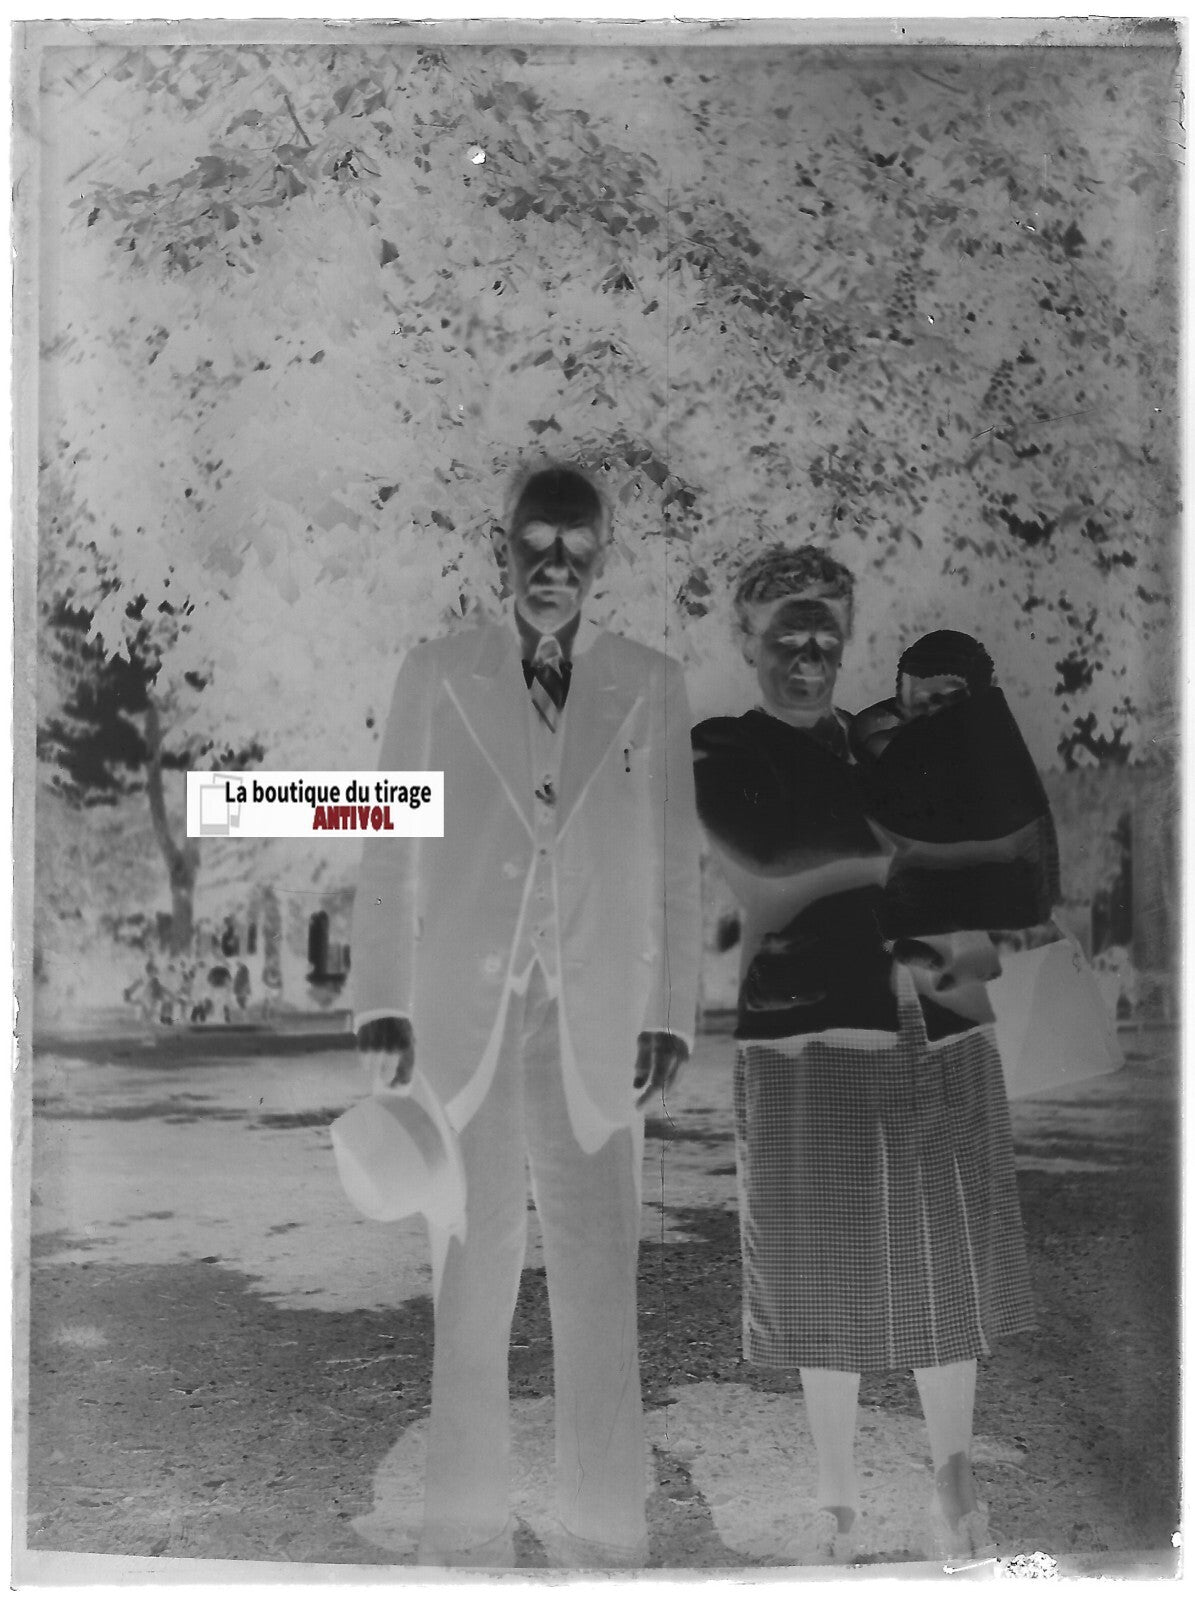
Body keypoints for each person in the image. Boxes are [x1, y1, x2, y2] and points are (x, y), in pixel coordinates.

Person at [350, 462, 703, 1569]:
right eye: (535, 542)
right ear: (496, 546)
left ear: (604, 557)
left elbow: (675, 862)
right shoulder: (437, 670)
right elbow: (387, 837)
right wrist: (383, 999)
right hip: (466, 1023)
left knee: (600, 1278)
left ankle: (606, 1521)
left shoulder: (648, 680)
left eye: (577, 546)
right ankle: (460, 1523)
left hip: (597, 1026)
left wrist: (670, 1013)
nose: (555, 565)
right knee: (471, 1276)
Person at [691, 548, 1035, 1565]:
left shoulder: (888, 737)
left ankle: (953, 1481)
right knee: (821, 1268)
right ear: (746, 640)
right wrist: (922, 845)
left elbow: (1004, 844)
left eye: (825, 633)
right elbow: (770, 864)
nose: (808, 650)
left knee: (947, 1261)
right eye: (786, 630)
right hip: (810, 1029)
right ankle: (837, 1510)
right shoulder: (721, 747)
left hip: (936, 1014)